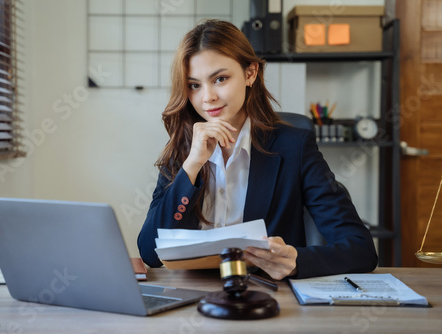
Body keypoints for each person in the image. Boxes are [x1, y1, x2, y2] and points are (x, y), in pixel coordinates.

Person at [137, 19, 377, 280]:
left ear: (250, 73)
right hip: (193, 298)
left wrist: (297, 262)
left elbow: (361, 249)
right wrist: (192, 167)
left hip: (267, 298)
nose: (208, 98)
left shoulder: (294, 147)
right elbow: (150, 253)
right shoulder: (184, 149)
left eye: (220, 79)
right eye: (194, 85)